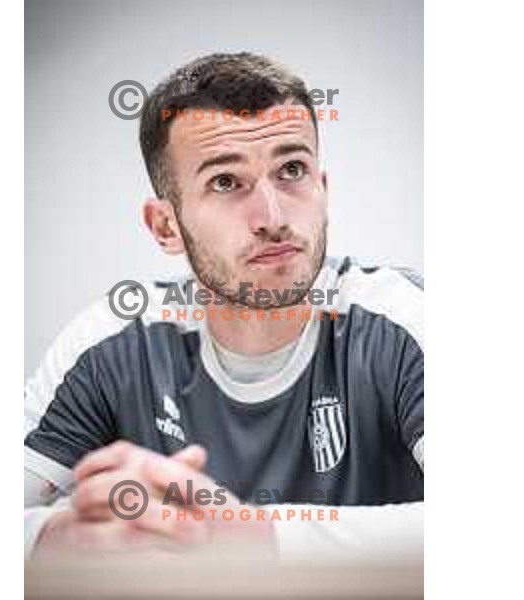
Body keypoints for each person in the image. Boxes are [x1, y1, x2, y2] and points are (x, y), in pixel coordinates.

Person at [24, 52, 423, 562]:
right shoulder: (115, 342)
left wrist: (248, 537)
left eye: (292, 170)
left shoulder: (403, 320)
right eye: (226, 182)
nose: (272, 217)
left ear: (323, 190)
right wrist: (58, 538)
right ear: (164, 226)